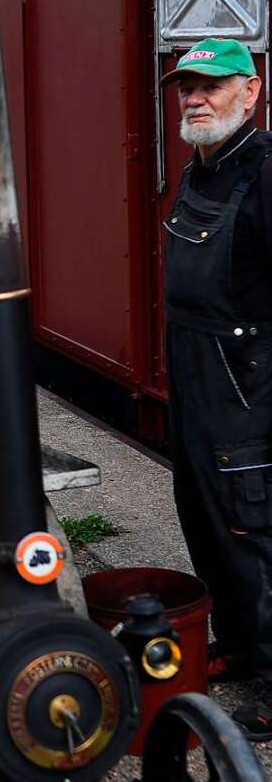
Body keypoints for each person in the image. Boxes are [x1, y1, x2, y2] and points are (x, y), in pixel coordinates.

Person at [160, 37, 272, 740]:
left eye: (211, 85)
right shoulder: (198, 169)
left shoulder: (263, 174)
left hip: (247, 388)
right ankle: (234, 641)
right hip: (194, 379)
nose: (194, 97)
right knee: (202, 516)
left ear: (250, 91)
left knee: (252, 533)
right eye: (185, 87)